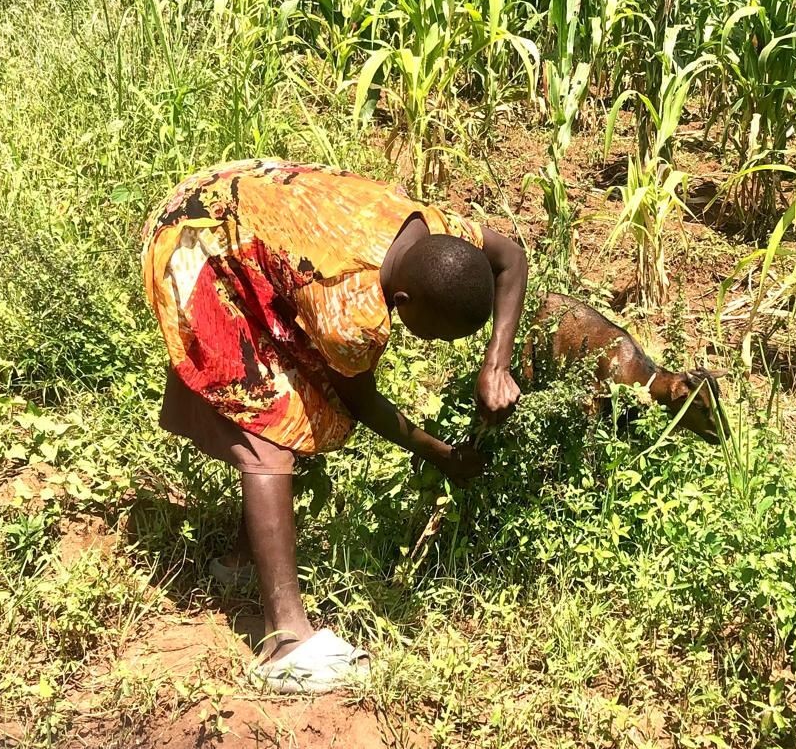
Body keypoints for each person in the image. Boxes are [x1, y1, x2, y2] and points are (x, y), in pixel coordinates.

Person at [142, 159, 527, 693]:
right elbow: (363, 404)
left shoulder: (430, 228)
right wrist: (441, 452)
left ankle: (240, 559)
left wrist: (497, 364)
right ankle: (287, 644)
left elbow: (510, 256)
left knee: (292, 402)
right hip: (197, 241)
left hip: (245, 195)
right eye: (436, 336)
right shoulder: (348, 310)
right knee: (272, 431)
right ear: (401, 303)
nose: (436, 347)